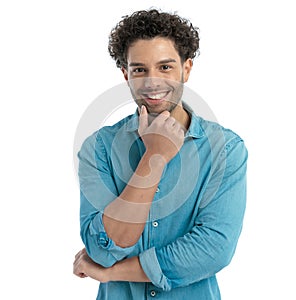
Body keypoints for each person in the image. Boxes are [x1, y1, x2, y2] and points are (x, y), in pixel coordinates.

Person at [73, 8, 248, 300]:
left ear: (186, 69)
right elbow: (102, 248)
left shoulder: (225, 150)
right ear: (126, 74)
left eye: (165, 67)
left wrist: (112, 273)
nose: (152, 82)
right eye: (140, 69)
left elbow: (212, 249)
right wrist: (154, 157)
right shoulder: (99, 148)